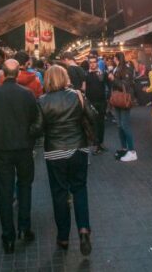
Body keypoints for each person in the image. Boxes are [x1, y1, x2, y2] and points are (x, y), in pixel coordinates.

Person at [0, 59, 42, 253]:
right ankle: (25, 227)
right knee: (25, 187)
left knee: (4, 192)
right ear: (18, 73)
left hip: (1, 149)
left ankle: (8, 236)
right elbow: (37, 119)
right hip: (24, 148)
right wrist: (30, 136)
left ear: (3, 74)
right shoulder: (27, 95)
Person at [37, 65, 95, 256]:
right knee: (79, 189)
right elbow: (93, 115)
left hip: (54, 152)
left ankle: (63, 237)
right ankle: (84, 230)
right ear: (65, 77)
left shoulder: (42, 101)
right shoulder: (77, 95)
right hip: (78, 148)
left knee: (60, 193)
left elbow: (38, 128)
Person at [109, 52, 137, 161]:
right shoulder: (116, 69)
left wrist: (113, 79)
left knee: (125, 125)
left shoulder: (126, 69)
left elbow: (125, 85)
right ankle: (124, 148)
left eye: (114, 58)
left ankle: (132, 151)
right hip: (118, 99)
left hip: (124, 99)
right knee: (120, 125)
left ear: (116, 59)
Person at [85, 56, 108, 154]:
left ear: (97, 63)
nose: (92, 64)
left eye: (94, 62)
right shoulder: (86, 74)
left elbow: (107, 85)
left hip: (102, 102)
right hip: (91, 103)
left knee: (101, 123)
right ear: (89, 63)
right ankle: (96, 145)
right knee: (93, 124)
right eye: (91, 62)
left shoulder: (102, 73)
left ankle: (101, 143)